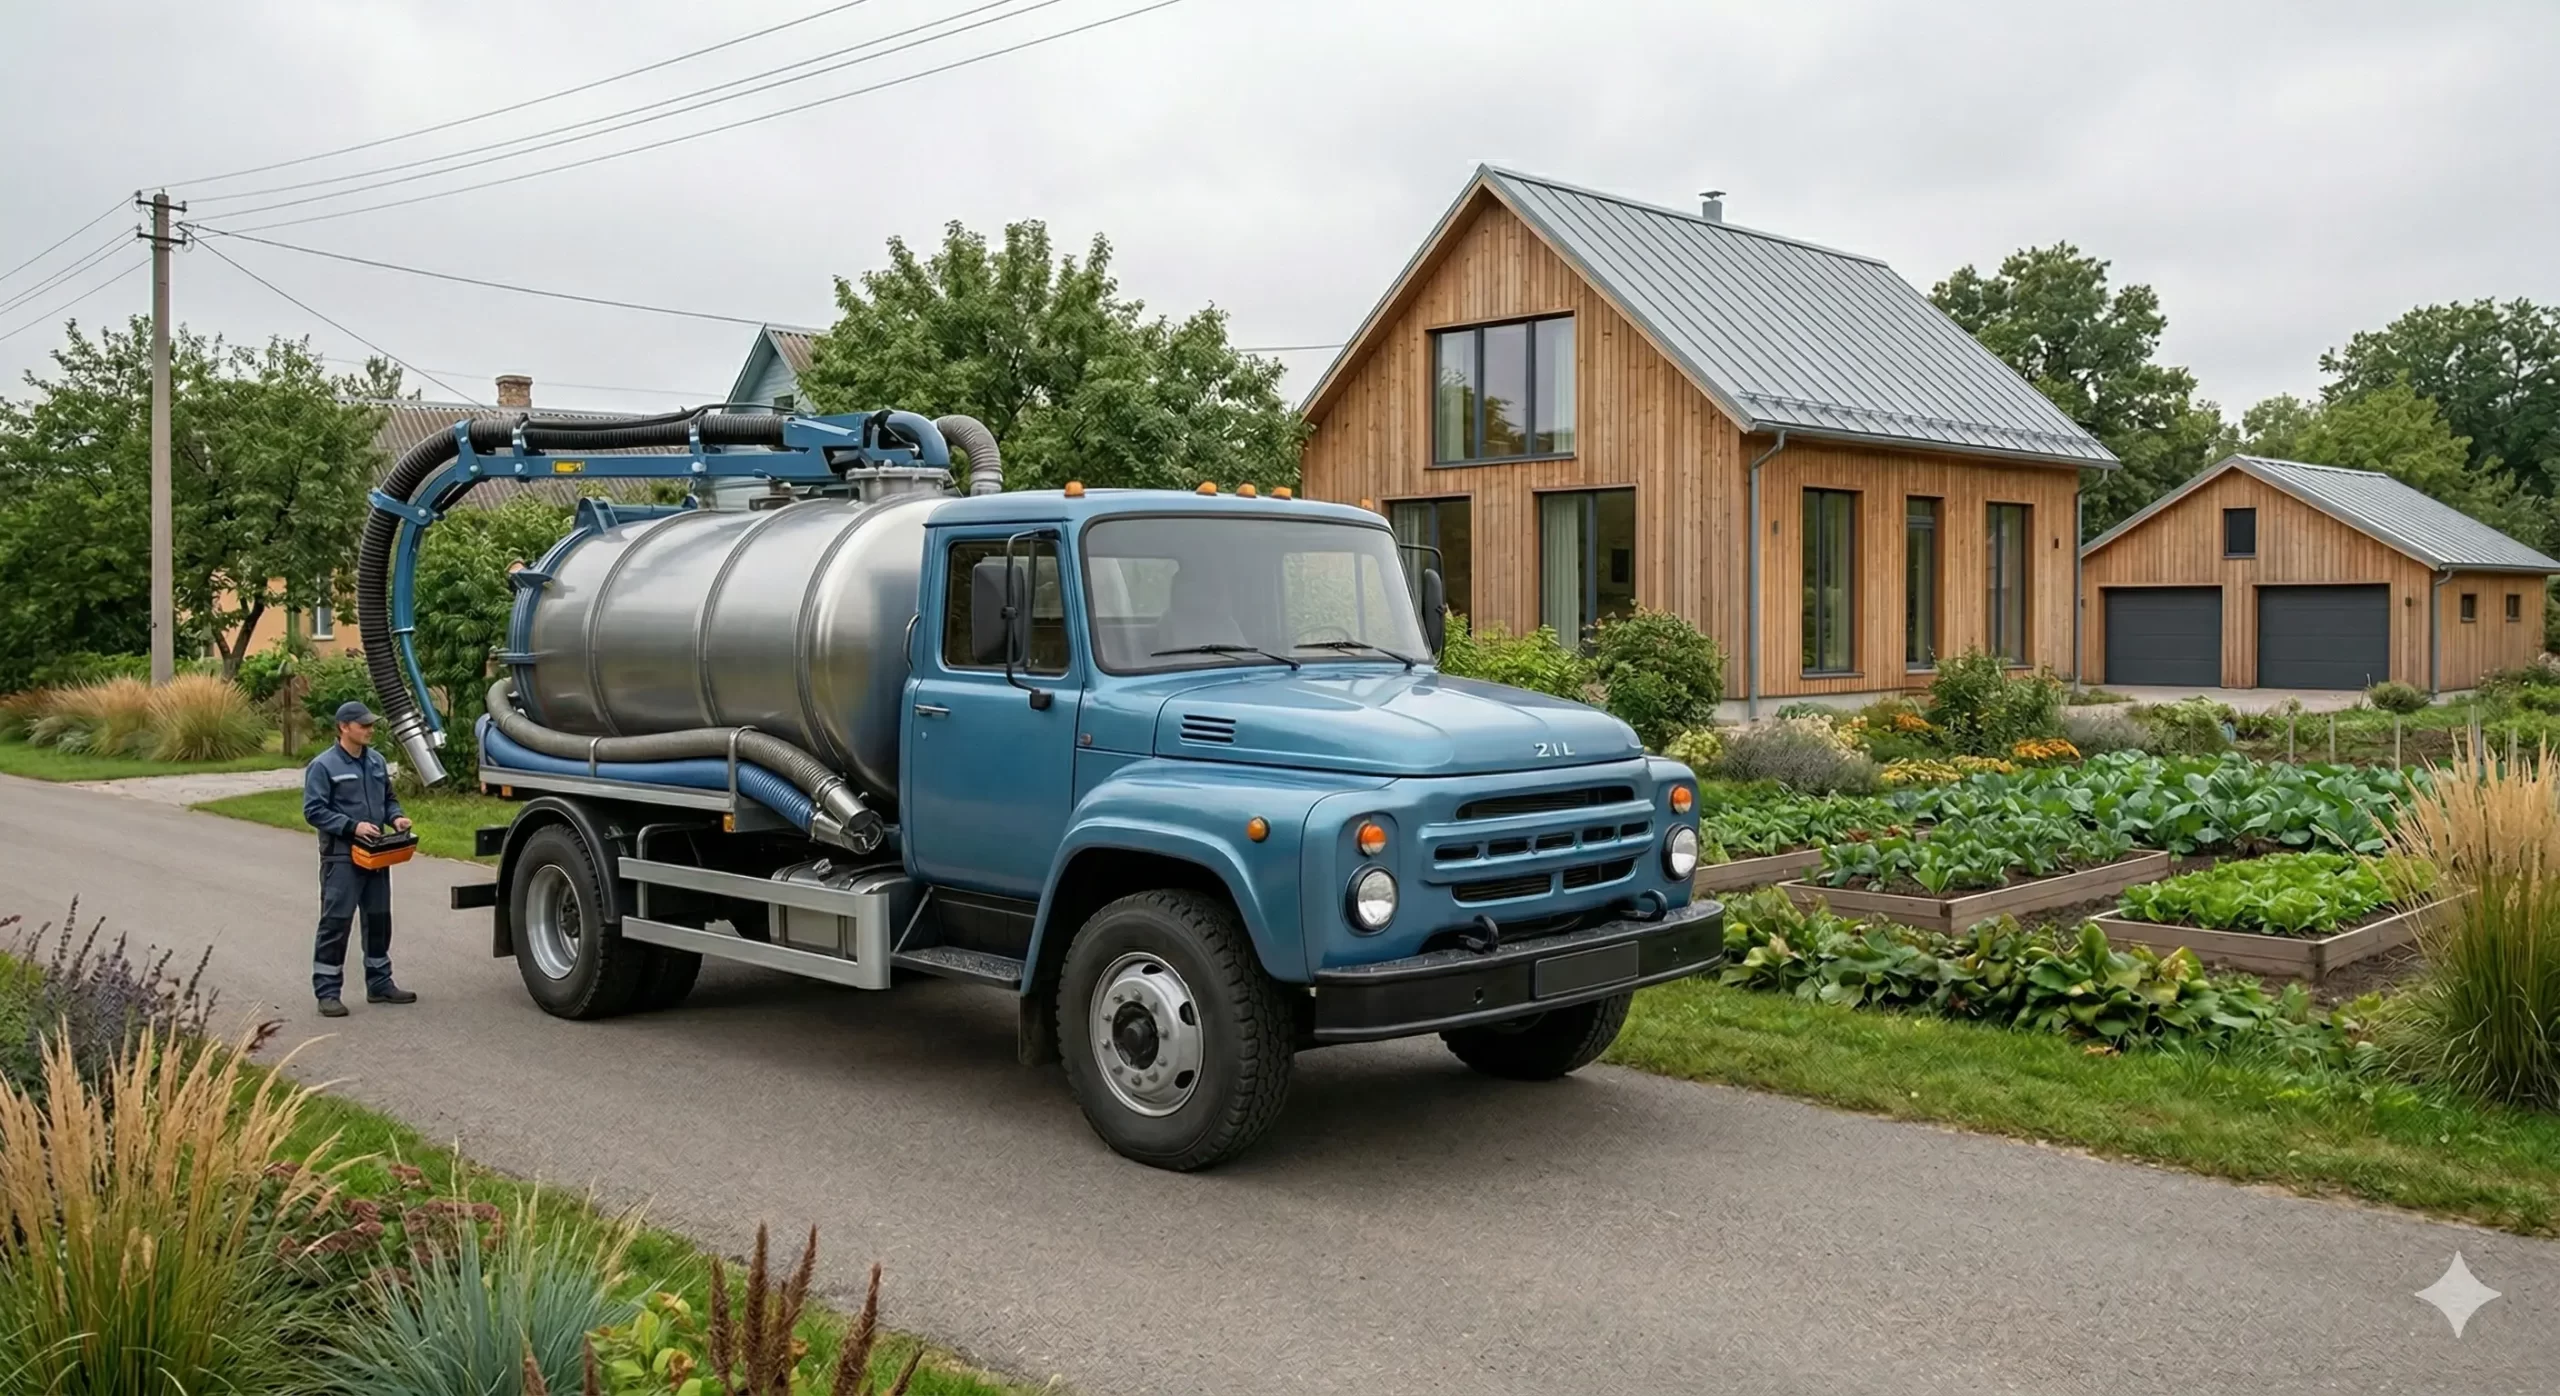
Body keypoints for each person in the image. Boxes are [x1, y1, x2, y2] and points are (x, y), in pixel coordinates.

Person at [301, 701, 417, 1017]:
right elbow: (313, 811)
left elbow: (389, 800)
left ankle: (380, 983)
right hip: (341, 859)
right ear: (343, 727)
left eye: (370, 724)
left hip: (376, 855)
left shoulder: (376, 762)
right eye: (363, 724)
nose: (369, 729)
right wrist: (352, 826)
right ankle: (327, 992)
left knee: (379, 920)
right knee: (335, 924)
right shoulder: (323, 766)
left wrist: (397, 818)